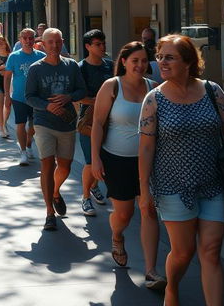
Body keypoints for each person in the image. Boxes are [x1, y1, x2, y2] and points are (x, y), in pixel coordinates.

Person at [139, 34, 224, 306]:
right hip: (172, 186)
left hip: (213, 184)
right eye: (159, 57)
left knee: (211, 250)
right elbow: (146, 148)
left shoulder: (212, 90)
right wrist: (144, 191)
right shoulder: (154, 99)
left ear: (188, 62)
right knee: (183, 252)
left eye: (169, 57)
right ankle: (172, 290)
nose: (161, 62)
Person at [91, 41, 165, 290]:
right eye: (135, 60)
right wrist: (96, 158)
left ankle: (151, 271)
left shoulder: (154, 88)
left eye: (144, 61)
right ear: (124, 62)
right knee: (124, 214)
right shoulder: (112, 86)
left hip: (148, 162)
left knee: (149, 210)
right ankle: (117, 235)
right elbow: (98, 124)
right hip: (116, 159)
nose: (140, 65)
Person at [24, 28, 87, 231]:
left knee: (65, 167)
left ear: (62, 42)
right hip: (43, 123)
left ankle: (55, 191)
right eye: (50, 42)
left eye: (58, 42)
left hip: (67, 123)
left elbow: (82, 90)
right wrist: (46, 105)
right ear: (42, 44)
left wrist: (69, 97)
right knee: (47, 164)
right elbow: (29, 96)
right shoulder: (36, 68)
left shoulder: (71, 66)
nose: (54, 46)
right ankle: (49, 212)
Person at [77, 30, 113, 215]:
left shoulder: (110, 66)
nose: (102, 47)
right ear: (88, 47)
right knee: (91, 161)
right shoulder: (80, 67)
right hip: (89, 121)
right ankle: (85, 198)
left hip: (111, 122)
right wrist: (100, 101)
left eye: (103, 43)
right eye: (98, 44)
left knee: (103, 160)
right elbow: (77, 97)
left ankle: (94, 186)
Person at [3, 28, 45, 166]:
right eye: (25, 38)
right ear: (20, 40)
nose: (28, 41)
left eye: (31, 38)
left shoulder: (41, 56)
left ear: (34, 39)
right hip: (19, 97)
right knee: (20, 124)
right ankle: (23, 152)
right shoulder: (14, 56)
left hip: (36, 97)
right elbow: (8, 76)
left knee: (33, 126)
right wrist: (7, 96)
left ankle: (28, 144)